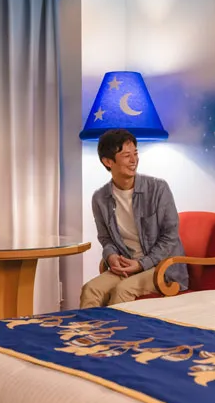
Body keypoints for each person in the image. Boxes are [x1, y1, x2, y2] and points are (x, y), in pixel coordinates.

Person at [80, 129, 188, 308]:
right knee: (90, 290)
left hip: (161, 267)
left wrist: (140, 264)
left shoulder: (158, 189)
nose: (134, 160)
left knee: (122, 290)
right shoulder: (100, 198)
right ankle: (88, 328)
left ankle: (117, 328)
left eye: (135, 154)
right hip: (126, 265)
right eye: (126, 155)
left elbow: (170, 236)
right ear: (108, 161)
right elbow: (105, 238)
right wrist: (111, 256)